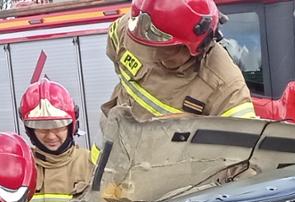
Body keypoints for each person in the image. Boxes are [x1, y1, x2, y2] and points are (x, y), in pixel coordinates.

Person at [102, 0, 255, 123]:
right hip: (116, 143)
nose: (158, 54)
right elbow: (114, 52)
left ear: (198, 46)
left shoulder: (225, 85)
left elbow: (242, 148)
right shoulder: (131, 30)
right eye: (152, 45)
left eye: (169, 49)